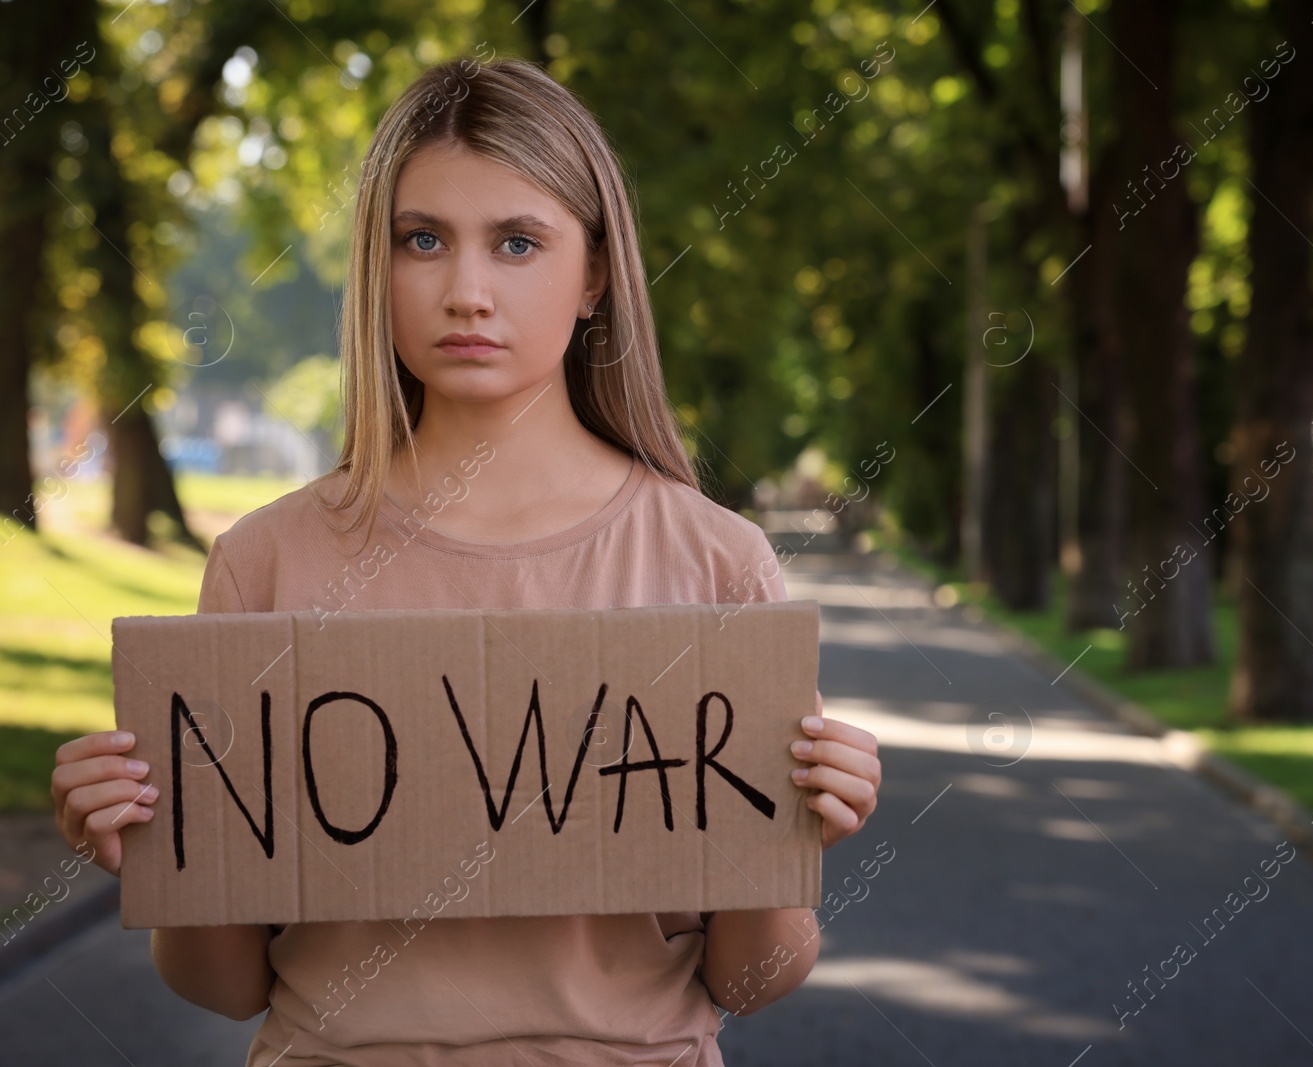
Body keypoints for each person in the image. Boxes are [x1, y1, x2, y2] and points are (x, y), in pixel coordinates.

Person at [50, 54, 881, 1066]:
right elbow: (223, 988)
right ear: (378, 264)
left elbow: (748, 983)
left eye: (519, 242)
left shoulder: (716, 563)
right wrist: (159, 854)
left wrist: (793, 835)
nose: (466, 290)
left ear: (596, 275)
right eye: (423, 240)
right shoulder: (265, 563)